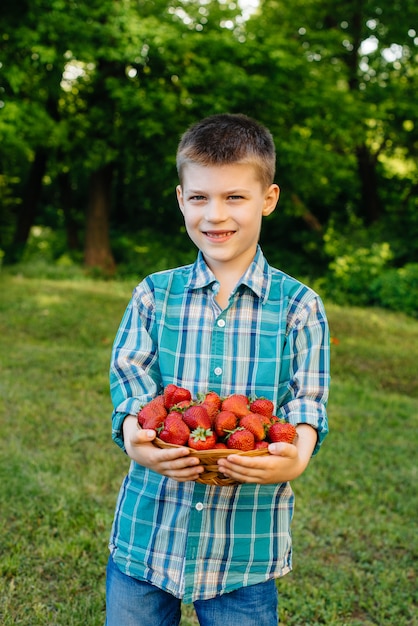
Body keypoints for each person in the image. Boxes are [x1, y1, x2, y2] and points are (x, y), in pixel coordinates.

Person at [106, 113, 330, 626]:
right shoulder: (153, 294)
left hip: (244, 551)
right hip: (149, 534)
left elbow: (306, 400)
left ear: (267, 199)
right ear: (181, 198)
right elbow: (131, 378)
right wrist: (134, 433)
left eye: (235, 197)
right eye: (200, 197)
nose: (215, 214)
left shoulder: (300, 306)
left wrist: (296, 455)